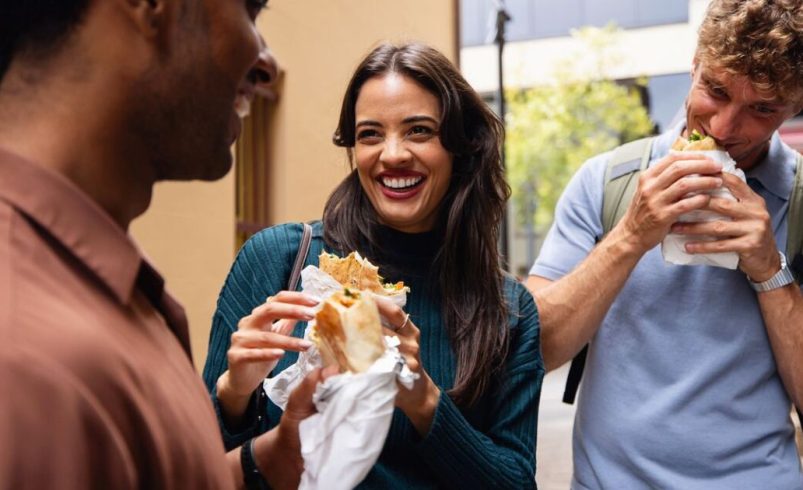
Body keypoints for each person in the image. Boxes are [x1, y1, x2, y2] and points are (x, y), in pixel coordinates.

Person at [0, 1, 325, 488]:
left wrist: (269, 457)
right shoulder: (30, 363)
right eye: (247, 9)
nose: (265, 62)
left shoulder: (92, 278)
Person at [204, 42, 545, 489]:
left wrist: (423, 400)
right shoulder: (279, 260)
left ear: (462, 146)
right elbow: (197, 464)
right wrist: (235, 394)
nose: (392, 155)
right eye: (370, 134)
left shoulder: (507, 309)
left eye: (419, 130)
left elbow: (517, 483)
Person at [526, 0, 803, 488]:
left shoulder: (799, 202)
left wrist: (769, 268)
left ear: (795, 106)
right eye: (715, 90)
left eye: (762, 109)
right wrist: (632, 234)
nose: (723, 128)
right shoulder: (605, 181)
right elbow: (535, 351)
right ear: (693, 65)